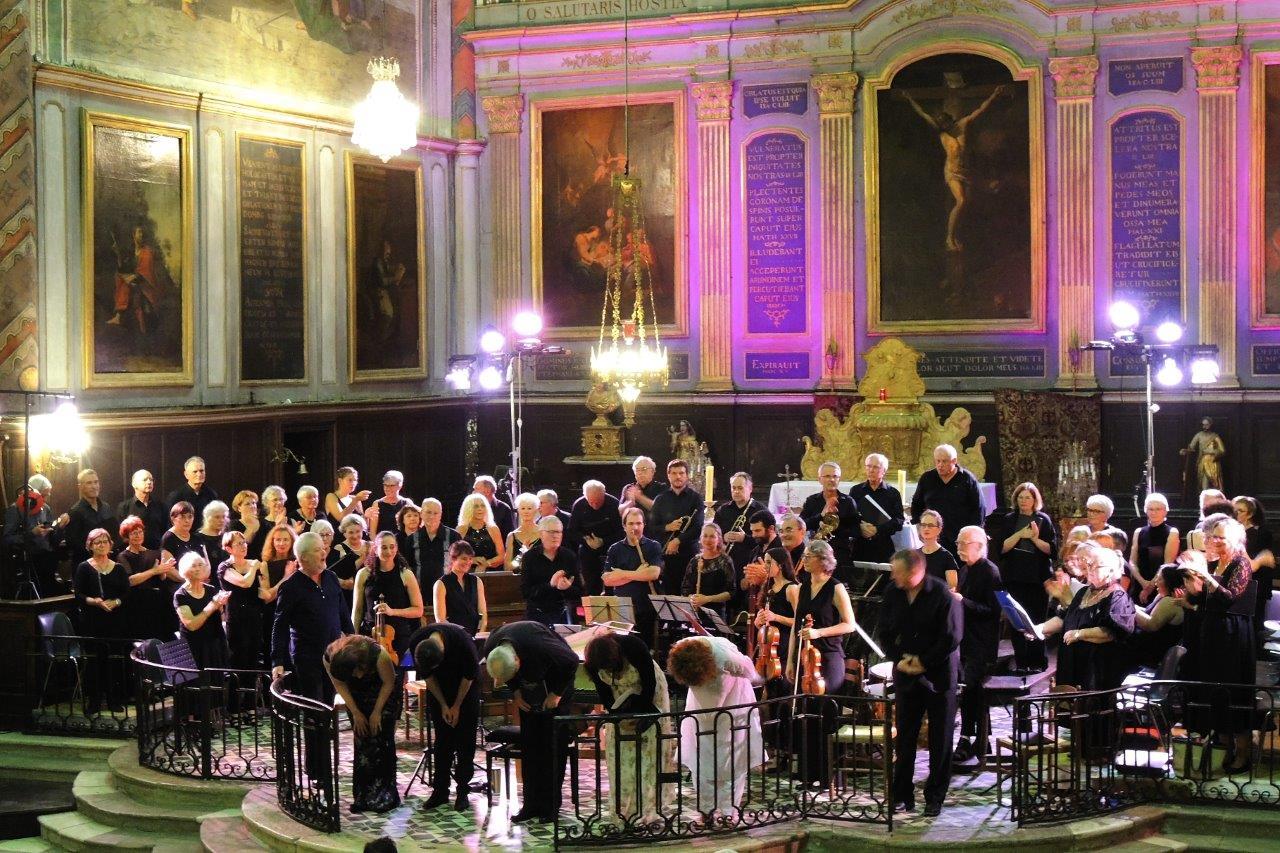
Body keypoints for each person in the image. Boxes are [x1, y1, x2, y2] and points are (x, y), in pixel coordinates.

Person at [879, 548, 962, 818]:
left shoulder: (942, 595)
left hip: (938, 675)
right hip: (905, 672)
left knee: (940, 739)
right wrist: (898, 659)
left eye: (897, 572)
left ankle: (934, 796)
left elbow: (951, 637)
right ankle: (902, 795)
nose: (893, 576)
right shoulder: (893, 593)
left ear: (914, 572)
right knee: (905, 737)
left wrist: (924, 662)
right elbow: (884, 631)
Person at [484, 621, 581, 823]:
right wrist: (516, 692)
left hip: (557, 683)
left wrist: (556, 694)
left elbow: (571, 661)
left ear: (518, 661)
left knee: (552, 747)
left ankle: (550, 807)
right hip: (529, 690)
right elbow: (506, 674)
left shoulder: (540, 644)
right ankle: (530, 805)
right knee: (530, 746)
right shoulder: (492, 647)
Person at [1181, 515, 1256, 773]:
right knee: (1215, 693)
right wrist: (1192, 589)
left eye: (1221, 538)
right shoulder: (1214, 563)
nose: (1215, 542)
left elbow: (1229, 598)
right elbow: (1206, 601)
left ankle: (1243, 754)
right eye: (1213, 537)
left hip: (1233, 634)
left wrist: (1206, 576)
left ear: (1234, 540)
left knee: (1234, 693)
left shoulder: (1240, 563)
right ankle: (1225, 748)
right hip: (1212, 631)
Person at [900, 83, 1010, 252]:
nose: (945, 126)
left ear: (951, 121)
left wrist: (994, 95)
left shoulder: (963, 125)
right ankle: (949, 238)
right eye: (942, 125)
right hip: (952, 172)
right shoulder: (943, 135)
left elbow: (980, 110)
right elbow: (923, 114)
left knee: (988, 190)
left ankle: (958, 235)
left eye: (947, 123)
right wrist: (909, 99)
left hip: (966, 171)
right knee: (962, 200)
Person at [786, 540, 858, 787]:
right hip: (804, 659)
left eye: (808, 556)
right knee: (807, 714)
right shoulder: (804, 586)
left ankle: (827, 774)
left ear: (822, 560)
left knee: (825, 712)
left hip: (828, 657)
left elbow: (849, 624)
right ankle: (808, 772)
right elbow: (797, 624)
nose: (803, 560)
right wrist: (789, 660)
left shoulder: (836, 588)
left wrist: (819, 633)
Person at [668, 634, 764, 817]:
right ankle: (706, 811)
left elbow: (750, 672)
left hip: (732, 701)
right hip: (700, 702)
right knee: (702, 756)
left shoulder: (725, 657)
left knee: (732, 757)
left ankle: (729, 813)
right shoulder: (681, 650)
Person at [584, 631, 671, 823]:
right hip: (620, 700)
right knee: (623, 754)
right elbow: (604, 694)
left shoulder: (633, 646)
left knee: (648, 752)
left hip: (649, 696)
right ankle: (625, 807)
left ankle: (648, 809)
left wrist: (639, 714)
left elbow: (650, 682)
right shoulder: (593, 663)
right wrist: (618, 715)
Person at [1032, 543, 1135, 692]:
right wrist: (1038, 629)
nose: (1090, 570)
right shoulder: (1083, 592)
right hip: (1071, 666)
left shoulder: (1117, 597)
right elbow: (1065, 618)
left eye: (1096, 566)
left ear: (1111, 570)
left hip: (1095, 670)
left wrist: (1079, 634)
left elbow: (1111, 633)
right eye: (1089, 565)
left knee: (1089, 711)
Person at [271, 532, 355, 703]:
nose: (324, 553)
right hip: (306, 657)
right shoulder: (290, 587)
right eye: (318, 550)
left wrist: (353, 641)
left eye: (323, 549)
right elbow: (279, 626)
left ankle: (328, 731)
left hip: (332, 654)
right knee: (314, 705)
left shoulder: (331, 578)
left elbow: (343, 614)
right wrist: (277, 660)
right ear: (303, 558)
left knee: (329, 703)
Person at [407, 623, 481, 811]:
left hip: (466, 688)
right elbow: (429, 677)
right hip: (438, 689)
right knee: (442, 742)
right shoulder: (417, 642)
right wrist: (443, 705)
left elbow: (469, 676)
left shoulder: (463, 643)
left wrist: (456, 706)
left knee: (465, 742)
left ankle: (463, 791)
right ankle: (440, 791)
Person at [324, 634, 402, 813]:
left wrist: (376, 712)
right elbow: (340, 686)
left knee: (382, 741)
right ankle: (363, 796)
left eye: (358, 671)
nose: (358, 676)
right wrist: (356, 712)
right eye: (354, 674)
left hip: (382, 692)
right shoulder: (330, 658)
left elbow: (389, 682)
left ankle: (385, 795)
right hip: (356, 696)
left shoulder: (377, 654)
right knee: (362, 741)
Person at [952, 526, 1003, 766]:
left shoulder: (990, 572)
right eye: (959, 543)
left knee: (972, 690)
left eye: (964, 544)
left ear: (980, 546)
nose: (959, 548)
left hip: (982, 643)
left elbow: (993, 611)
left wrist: (964, 602)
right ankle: (982, 739)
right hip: (966, 640)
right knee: (970, 691)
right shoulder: (965, 570)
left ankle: (968, 739)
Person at [997, 483, 1055, 672]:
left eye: (1027, 497)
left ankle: (1038, 662)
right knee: (1017, 623)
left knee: (1037, 620)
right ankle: (1022, 663)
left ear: (1034, 500)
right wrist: (1021, 534)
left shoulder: (1043, 520)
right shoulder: (1009, 519)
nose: (1024, 501)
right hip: (1014, 577)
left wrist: (1034, 539)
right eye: (1020, 497)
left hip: (1037, 579)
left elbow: (1051, 550)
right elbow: (1002, 548)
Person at [73, 528, 131, 714]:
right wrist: (94, 601)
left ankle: (114, 699)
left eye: (105, 541)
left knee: (113, 660)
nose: (102, 545)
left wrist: (116, 602)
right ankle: (95, 700)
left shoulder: (119, 567)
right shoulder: (84, 567)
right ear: (90, 546)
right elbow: (78, 594)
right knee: (94, 661)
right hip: (93, 619)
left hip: (115, 619)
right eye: (97, 542)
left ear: (110, 544)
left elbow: (126, 592)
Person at [352, 532, 424, 659]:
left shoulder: (406, 574)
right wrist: (354, 636)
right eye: (384, 547)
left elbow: (418, 610)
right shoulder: (363, 574)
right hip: (370, 634)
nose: (389, 551)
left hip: (398, 635)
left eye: (392, 547)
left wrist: (392, 611)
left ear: (396, 548)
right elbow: (357, 610)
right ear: (375, 548)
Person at [602, 507, 663, 644]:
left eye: (639, 523)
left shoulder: (654, 546)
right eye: (630, 524)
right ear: (624, 526)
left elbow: (653, 573)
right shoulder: (615, 549)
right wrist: (639, 573)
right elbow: (608, 580)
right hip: (622, 607)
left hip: (646, 607)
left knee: (646, 647)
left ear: (644, 525)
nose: (635, 527)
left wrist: (622, 574)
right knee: (623, 647)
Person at [911, 444, 985, 555]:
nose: (940, 465)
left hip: (960, 539)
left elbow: (979, 509)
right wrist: (920, 528)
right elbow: (916, 504)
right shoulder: (927, 478)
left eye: (944, 461)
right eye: (937, 461)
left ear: (954, 461)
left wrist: (971, 536)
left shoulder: (967, 479)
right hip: (933, 538)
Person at [4, 474, 68, 594]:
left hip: (47, 559)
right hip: (27, 562)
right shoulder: (15, 509)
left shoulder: (46, 508)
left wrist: (60, 528)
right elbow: (8, 540)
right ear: (33, 493)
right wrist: (31, 533)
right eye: (44, 494)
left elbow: (52, 536)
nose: (48, 497)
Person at [118, 515, 179, 640]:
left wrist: (164, 570)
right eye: (134, 533)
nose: (138, 535)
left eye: (140, 532)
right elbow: (130, 581)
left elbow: (161, 578)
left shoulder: (154, 553)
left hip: (156, 601)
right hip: (137, 603)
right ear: (126, 536)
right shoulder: (123, 556)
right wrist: (154, 571)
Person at [800, 462, 860, 584]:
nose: (831, 479)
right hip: (815, 555)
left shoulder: (848, 502)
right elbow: (802, 525)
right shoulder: (812, 501)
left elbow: (856, 531)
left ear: (839, 479)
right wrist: (821, 515)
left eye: (835, 476)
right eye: (827, 476)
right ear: (819, 479)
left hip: (839, 555)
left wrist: (833, 528)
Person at [650, 459, 704, 593]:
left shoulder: (696, 498)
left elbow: (698, 527)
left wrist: (677, 541)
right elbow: (651, 527)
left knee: (689, 593)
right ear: (668, 476)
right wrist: (667, 527)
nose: (678, 476)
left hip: (689, 554)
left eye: (681, 473)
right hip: (666, 557)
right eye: (674, 473)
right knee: (669, 594)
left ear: (687, 475)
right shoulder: (660, 499)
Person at [219, 530, 268, 672]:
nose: (244, 546)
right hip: (237, 618)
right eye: (239, 543)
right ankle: (236, 693)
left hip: (254, 616)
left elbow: (263, 591)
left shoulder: (254, 564)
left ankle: (252, 692)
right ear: (229, 549)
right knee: (238, 658)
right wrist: (253, 567)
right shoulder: (225, 567)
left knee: (254, 658)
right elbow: (244, 582)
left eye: (244, 542)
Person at [174, 552, 230, 669]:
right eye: (194, 566)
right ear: (185, 570)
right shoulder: (181, 595)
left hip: (213, 643)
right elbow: (192, 625)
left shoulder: (211, 590)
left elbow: (221, 617)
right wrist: (212, 605)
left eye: (200, 565)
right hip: (193, 647)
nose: (198, 569)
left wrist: (221, 606)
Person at [520, 516, 580, 625]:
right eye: (551, 532)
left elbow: (579, 591)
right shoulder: (530, 557)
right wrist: (550, 585)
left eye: (558, 532)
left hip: (564, 614)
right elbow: (526, 592)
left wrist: (567, 588)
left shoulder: (569, 556)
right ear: (541, 534)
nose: (555, 536)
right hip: (537, 614)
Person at [568, 481, 624, 596]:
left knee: (611, 586)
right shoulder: (579, 505)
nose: (594, 505)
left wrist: (603, 541)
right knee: (591, 586)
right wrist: (586, 540)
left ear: (604, 494)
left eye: (598, 502)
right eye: (591, 502)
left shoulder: (613, 503)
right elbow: (572, 531)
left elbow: (621, 532)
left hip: (610, 547)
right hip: (588, 548)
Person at [849, 453, 905, 564]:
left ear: (884, 470)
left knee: (884, 579)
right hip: (860, 546)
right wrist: (860, 526)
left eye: (875, 467)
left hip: (883, 546)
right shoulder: (856, 491)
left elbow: (899, 521)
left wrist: (877, 530)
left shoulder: (892, 493)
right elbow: (849, 517)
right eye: (868, 466)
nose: (871, 470)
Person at [712, 472, 767, 583]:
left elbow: (767, 539)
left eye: (740, 488)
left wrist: (744, 538)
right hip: (726, 563)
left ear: (750, 489)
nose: (736, 491)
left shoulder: (761, 511)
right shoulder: (723, 510)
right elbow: (713, 534)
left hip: (750, 564)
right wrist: (723, 537)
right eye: (734, 488)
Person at [1234, 496, 1276, 642]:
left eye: (1240, 511)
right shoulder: (1232, 531)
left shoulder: (1261, 534)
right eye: (1234, 510)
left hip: (1256, 585)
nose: (1236, 514)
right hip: (1238, 583)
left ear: (1250, 514)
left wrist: (1239, 542)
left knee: (1253, 625)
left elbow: (1253, 565)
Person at [1132, 563, 1191, 667]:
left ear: (1169, 582)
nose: (1155, 582)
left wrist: (1129, 607)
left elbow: (1151, 625)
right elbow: (1147, 611)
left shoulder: (1170, 601)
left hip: (1154, 655)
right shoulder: (1161, 596)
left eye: (1159, 579)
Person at [1130, 493, 1181, 605]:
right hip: (1140, 583)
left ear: (1165, 511)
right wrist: (1143, 583)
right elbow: (1132, 562)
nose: (1153, 512)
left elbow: (1167, 564)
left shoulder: (1172, 532)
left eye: (1158, 509)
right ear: (1145, 510)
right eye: (1150, 509)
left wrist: (1150, 587)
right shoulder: (1139, 532)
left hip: (1161, 586)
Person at [681, 522, 735, 622]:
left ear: (718, 539)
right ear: (700, 538)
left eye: (712, 536)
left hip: (716, 614)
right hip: (695, 613)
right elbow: (685, 590)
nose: (707, 540)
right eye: (705, 536)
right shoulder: (694, 561)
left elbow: (731, 592)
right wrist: (693, 598)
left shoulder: (725, 561)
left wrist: (707, 599)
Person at [432, 541, 488, 636]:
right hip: (453, 636)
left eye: (470, 559)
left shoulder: (477, 581)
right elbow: (440, 619)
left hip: (476, 635)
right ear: (453, 559)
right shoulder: (441, 584)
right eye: (464, 559)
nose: (468, 562)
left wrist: (480, 632)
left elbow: (482, 613)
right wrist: (461, 635)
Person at [65, 469, 118, 565]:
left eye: (96, 482)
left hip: (108, 562)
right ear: (80, 487)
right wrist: (97, 552)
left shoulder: (106, 507)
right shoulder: (75, 511)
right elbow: (72, 543)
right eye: (89, 483)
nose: (94, 486)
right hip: (86, 565)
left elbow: (115, 533)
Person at [411, 498, 459, 588]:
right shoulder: (411, 540)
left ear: (440, 515)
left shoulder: (454, 537)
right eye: (428, 512)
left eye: (435, 513)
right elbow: (409, 568)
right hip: (421, 593)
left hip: (448, 592)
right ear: (421, 514)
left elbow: (459, 566)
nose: (432, 516)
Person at [118, 470, 169, 549]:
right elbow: (122, 536)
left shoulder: (161, 506)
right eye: (145, 479)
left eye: (151, 479)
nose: (149, 482)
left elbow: (166, 531)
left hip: (156, 552)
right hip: (134, 554)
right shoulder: (124, 507)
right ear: (134, 484)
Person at [619, 456, 666, 539]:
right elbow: (620, 511)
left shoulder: (662, 488)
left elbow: (661, 510)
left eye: (644, 469)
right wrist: (630, 502)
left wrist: (639, 497)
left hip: (655, 534)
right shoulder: (628, 488)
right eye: (637, 470)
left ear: (652, 471)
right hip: (633, 534)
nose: (640, 473)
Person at [330, 515, 369, 613]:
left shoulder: (370, 545)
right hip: (349, 594)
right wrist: (363, 558)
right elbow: (345, 571)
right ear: (344, 534)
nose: (355, 535)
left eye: (358, 531)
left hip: (367, 591)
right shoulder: (339, 548)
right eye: (351, 532)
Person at [456, 493, 504, 571]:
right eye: (476, 506)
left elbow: (502, 556)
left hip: (490, 573)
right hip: (467, 573)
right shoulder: (461, 529)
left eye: (483, 506)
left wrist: (486, 563)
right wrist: (472, 560)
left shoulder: (493, 529)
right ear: (469, 509)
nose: (480, 509)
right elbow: (454, 556)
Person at [918, 509, 959, 590]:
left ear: (939, 530)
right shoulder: (915, 555)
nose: (926, 528)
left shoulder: (947, 557)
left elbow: (952, 589)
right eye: (923, 525)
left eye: (930, 525)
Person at [1182, 417, 1226, 492]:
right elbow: (1191, 448)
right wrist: (1186, 451)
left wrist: (1212, 451)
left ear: (1210, 425)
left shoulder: (1215, 436)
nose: (1204, 426)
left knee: (1216, 486)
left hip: (1213, 463)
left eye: (1206, 424)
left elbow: (1222, 450)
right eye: (1203, 425)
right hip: (1202, 462)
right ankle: (1204, 501)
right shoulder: (1199, 435)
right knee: (1204, 486)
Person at [229, 490, 269, 566]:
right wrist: (251, 528)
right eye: (247, 504)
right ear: (239, 508)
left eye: (254, 503)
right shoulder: (234, 525)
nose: (252, 506)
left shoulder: (264, 523)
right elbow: (239, 546)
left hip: (264, 564)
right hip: (243, 565)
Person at [504, 493, 541, 572]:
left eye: (529, 508)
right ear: (518, 510)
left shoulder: (543, 534)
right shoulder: (512, 536)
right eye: (523, 508)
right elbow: (507, 567)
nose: (526, 511)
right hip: (517, 580)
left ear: (536, 510)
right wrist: (521, 555)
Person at [161, 502, 203, 568]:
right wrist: (186, 578)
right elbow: (168, 569)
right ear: (173, 519)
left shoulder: (196, 538)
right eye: (182, 517)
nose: (187, 520)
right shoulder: (169, 538)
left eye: (190, 517)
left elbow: (205, 563)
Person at [368, 471, 410, 536]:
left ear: (400, 486)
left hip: (403, 543)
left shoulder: (407, 502)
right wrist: (377, 545)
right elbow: (372, 533)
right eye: (385, 485)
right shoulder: (377, 504)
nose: (388, 488)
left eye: (391, 485)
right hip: (383, 543)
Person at [195, 501, 231, 572]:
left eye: (224, 517)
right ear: (207, 518)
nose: (221, 520)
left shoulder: (227, 537)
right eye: (217, 517)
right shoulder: (197, 538)